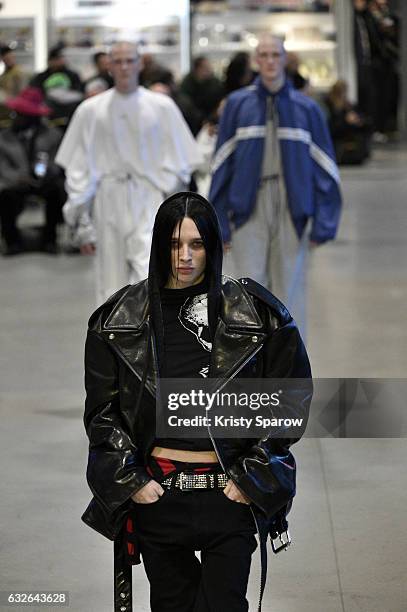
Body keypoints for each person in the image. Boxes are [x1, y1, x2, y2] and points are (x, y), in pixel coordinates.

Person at [82, 191, 312, 612]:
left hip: (228, 493)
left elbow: (289, 400)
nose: (185, 256)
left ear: (213, 245)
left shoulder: (259, 315)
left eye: (196, 244)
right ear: (158, 246)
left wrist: (252, 476)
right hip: (159, 494)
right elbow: (103, 415)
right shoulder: (117, 320)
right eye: (173, 245)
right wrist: (133, 482)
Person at [209, 35, 342, 333]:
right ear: (257, 61)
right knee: (246, 289)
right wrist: (219, 223)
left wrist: (325, 222)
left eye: (275, 55)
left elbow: (326, 168)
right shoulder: (237, 104)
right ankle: (248, 364)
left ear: (285, 60)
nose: (270, 61)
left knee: (290, 291)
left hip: (291, 206)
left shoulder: (306, 109)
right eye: (264, 55)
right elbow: (221, 164)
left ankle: (290, 366)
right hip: (247, 206)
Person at [55, 41, 201, 305]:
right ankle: (114, 341)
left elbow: (179, 163)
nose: (124, 67)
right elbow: (79, 169)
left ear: (140, 63)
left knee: (152, 272)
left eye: (129, 60)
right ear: (108, 65)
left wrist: (176, 213)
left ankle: (153, 341)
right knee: (110, 281)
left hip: (150, 197)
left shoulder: (162, 107)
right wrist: (81, 222)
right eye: (118, 61)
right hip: (107, 198)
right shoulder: (90, 110)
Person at [0, 87, 66, 255]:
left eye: (21, 114)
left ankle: (49, 240)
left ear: (33, 117)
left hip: (44, 180)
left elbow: (58, 161)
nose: (16, 117)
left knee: (56, 191)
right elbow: (2, 165)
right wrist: (18, 178)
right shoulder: (4, 138)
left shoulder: (53, 135)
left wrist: (46, 172)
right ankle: (12, 242)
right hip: (15, 181)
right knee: (5, 195)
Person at [30, 44, 84, 129]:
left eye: (61, 58)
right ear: (50, 61)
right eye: (57, 59)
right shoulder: (41, 76)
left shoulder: (72, 75)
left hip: (69, 110)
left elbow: (79, 92)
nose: (61, 61)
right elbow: (34, 92)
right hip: (48, 110)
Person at [324, 79, 371, 164]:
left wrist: (357, 120)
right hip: (337, 136)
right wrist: (346, 121)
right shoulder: (329, 105)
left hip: (348, 133)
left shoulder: (347, 104)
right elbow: (332, 127)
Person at [180, 56, 225, 131]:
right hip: (192, 124)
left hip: (211, 122)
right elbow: (187, 106)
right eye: (206, 67)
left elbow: (220, 100)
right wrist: (202, 120)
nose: (210, 69)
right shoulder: (187, 83)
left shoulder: (215, 83)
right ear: (198, 69)